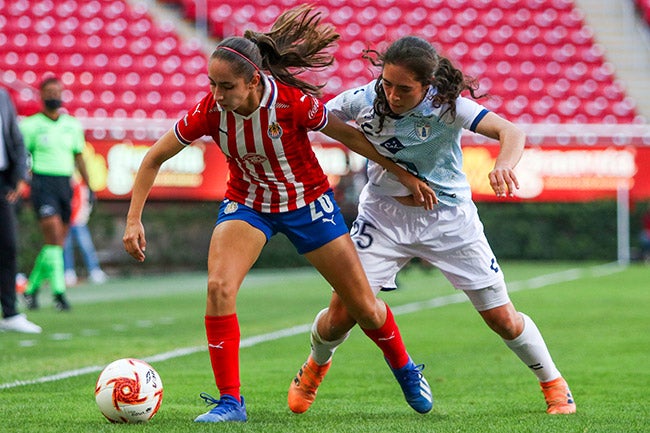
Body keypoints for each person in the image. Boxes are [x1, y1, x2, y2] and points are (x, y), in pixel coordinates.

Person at [123, 6, 436, 424]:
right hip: (248, 204)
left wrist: (401, 174)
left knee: (363, 306)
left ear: (254, 81)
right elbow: (153, 158)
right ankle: (230, 402)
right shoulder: (210, 111)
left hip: (308, 204)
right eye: (212, 84)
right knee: (218, 287)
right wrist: (133, 219)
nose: (217, 94)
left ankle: (405, 369)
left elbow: (346, 134)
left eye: (226, 86)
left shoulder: (290, 103)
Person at [288, 36, 576, 415]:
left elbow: (512, 132)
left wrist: (504, 164)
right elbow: (322, 119)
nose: (391, 95)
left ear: (427, 86)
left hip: (449, 219)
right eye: (387, 84)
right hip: (383, 217)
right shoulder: (363, 98)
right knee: (340, 317)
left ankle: (555, 384)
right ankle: (313, 368)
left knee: (502, 319)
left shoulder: (448, 106)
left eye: (404, 88)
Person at [20, 76, 93, 311]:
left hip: (65, 185)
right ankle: (59, 295)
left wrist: (89, 186)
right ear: (41, 95)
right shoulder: (29, 126)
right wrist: (21, 181)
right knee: (53, 238)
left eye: (57, 92)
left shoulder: (72, 125)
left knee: (56, 244)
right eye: (49, 92)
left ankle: (30, 291)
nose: (53, 96)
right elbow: (21, 156)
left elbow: (79, 156)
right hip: (42, 184)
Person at [0, 88, 42, 333]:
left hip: (3, 182)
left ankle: (10, 313)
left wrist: (19, 177)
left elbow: (15, 138)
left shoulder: (3, 96)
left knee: (7, 246)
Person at [63, 176, 108, 286]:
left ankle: (94, 271)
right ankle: (68, 272)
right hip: (66, 221)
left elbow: (85, 202)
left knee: (86, 247)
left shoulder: (81, 186)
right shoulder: (64, 186)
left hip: (79, 222)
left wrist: (82, 217)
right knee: (66, 248)